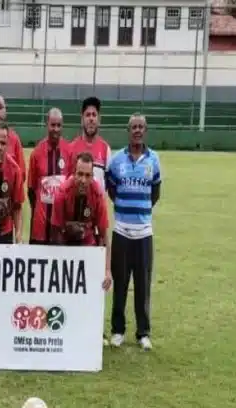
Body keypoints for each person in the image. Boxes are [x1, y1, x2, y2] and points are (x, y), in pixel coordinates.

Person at [106, 114, 162, 351]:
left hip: (143, 233)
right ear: (127, 131)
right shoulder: (117, 160)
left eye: (141, 127)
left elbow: (155, 194)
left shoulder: (154, 160)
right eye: (133, 127)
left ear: (145, 130)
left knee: (143, 284)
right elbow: (111, 189)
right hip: (121, 231)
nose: (137, 131)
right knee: (120, 283)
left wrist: (141, 211)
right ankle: (118, 330)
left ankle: (143, 333)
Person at [50, 151, 112, 292]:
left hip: (88, 247)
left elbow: (104, 235)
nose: (83, 180)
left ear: (92, 176)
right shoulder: (62, 193)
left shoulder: (98, 195)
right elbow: (55, 232)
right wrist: (63, 261)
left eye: (87, 175)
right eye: (80, 174)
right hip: (65, 247)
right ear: (74, 173)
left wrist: (107, 269)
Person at [27, 108, 71, 246]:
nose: (56, 129)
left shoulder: (69, 151)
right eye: (53, 125)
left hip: (62, 229)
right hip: (40, 228)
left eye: (59, 125)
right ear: (47, 124)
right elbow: (31, 190)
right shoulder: (36, 153)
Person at [68, 96, 111, 189]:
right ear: (82, 119)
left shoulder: (105, 149)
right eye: (87, 115)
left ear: (99, 120)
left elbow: (107, 183)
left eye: (94, 115)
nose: (91, 118)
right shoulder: (71, 148)